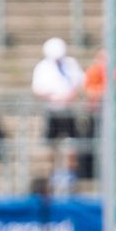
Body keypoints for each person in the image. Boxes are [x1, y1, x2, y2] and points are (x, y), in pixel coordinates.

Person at [31, 37, 86, 187]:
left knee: (71, 144)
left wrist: (70, 96)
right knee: (52, 145)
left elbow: (81, 83)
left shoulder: (71, 64)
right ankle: (53, 173)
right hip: (52, 110)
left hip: (69, 111)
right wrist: (53, 96)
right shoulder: (42, 67)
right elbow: (37, 89)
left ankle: (71, 173)